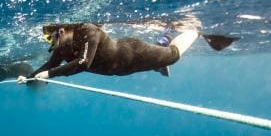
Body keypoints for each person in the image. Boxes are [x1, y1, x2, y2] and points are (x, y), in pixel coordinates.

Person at [17, 23, 236, 83]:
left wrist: (49, 75)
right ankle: (161, 45)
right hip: (120, 70)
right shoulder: (62, 46)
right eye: (46, 39)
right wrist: (28, 77)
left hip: (133, 53)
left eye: (50, 37)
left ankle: (194, 31)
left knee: (173, 55)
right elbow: (48, 64)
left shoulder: (87, 31)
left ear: (62, 30)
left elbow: (83, 63)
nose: (50, 42)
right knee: (159, 53)